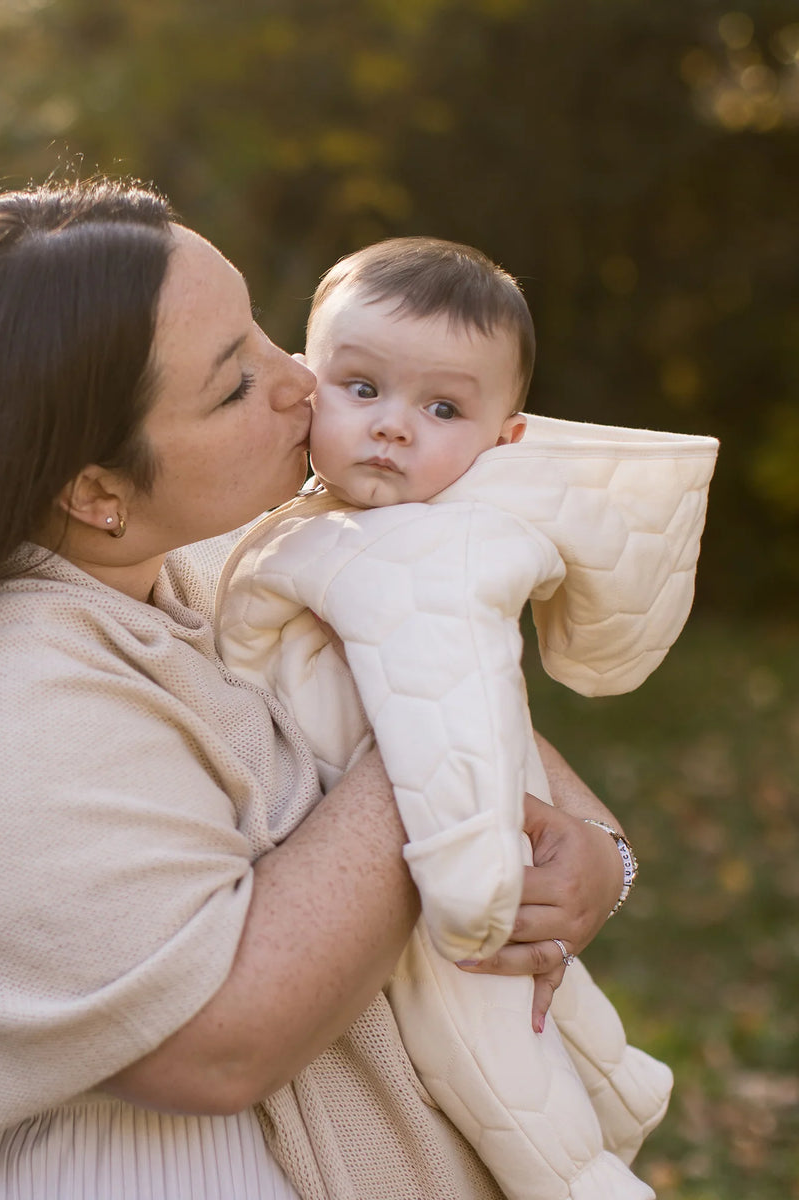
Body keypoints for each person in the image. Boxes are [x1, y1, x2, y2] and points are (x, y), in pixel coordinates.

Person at [0, 181, 633, 1200]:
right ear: (95, 490)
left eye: (259, 331)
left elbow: (523, 763)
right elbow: (216, 1044)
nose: (301, 381)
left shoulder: (209, 567)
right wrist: (423, 713)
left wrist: (606, 859)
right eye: (234, 383)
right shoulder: (9, 708)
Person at [216, 238, 718, 1199]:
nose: (393, 428)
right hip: (369, 869)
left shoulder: (431, 554)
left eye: (442, 408)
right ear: (302, 376)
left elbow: (454, 723)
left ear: (506, 436)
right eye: (360, 387)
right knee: (551, 1036)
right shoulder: (310, 518)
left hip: (444, 888)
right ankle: (624, 1092)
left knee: (498, 1075)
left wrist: (476, 897)